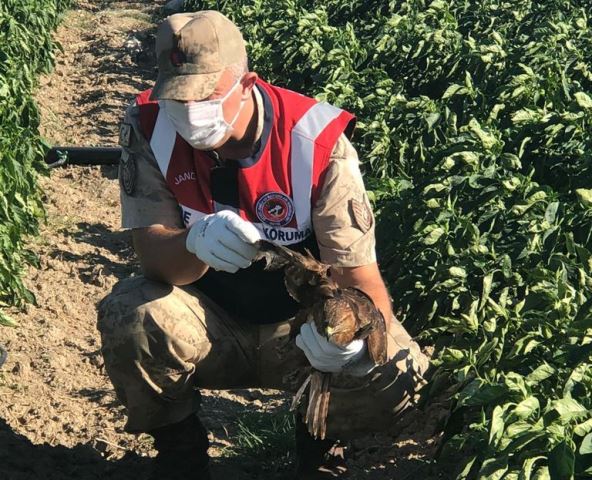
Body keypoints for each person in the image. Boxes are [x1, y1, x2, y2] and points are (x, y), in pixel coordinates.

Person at [97, 10, 429, 480]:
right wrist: (194, 241)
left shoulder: (314, 141)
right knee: (130, 313)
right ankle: (180, 452)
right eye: (177, 98)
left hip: (297, 328)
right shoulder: (151, 130)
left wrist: (348, 342)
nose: (190, 112)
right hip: (209, 321)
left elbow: (358, 276)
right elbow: (153, 256)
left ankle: (321, 444)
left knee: (392, 364)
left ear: (247, 83)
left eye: (206, 96)